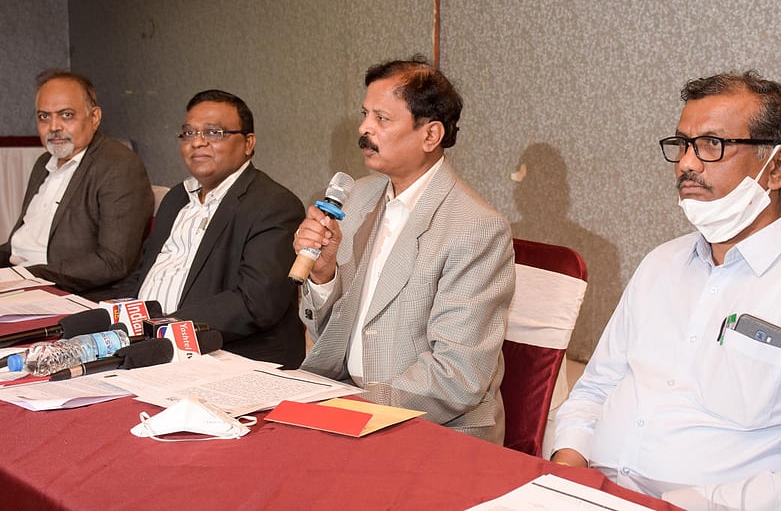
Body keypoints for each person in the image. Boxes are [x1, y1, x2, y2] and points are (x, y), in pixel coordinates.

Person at [551, 71, 781, 510]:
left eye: (713, 144)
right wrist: (566, 470)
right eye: (682, 144)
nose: (687, 164)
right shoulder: (662, 264)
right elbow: (596, 388)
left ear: (778, 167)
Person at [295, 56, 515, 444]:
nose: (363, 128)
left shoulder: (476, 228)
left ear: (430, 135)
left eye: (382, 118)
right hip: (349, 400)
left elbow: (457, 375)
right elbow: (326, 332)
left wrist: (351, 408)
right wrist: (323, 275)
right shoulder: (359, 198)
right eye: (365, 114)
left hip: (436, 427)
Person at [115, 90, 305, 368]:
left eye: (213, 133)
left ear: (248, 143)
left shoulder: (275, 205)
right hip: (148, 344)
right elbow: (145, 274)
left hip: (225, 355)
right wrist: (116, 315)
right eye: (189, 133)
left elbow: (256, 303)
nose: (198, 143)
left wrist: (167, 326)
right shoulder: (177, 198)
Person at [0, 69, 153, 295]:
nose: (54, 127)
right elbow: (21, 242)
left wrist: (30, 277)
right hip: (20, 281)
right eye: (44, 116)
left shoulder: (119, 165)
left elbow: (113, 262)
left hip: (66, 293)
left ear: (94, 117)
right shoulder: (44, 162)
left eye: (66, 115)